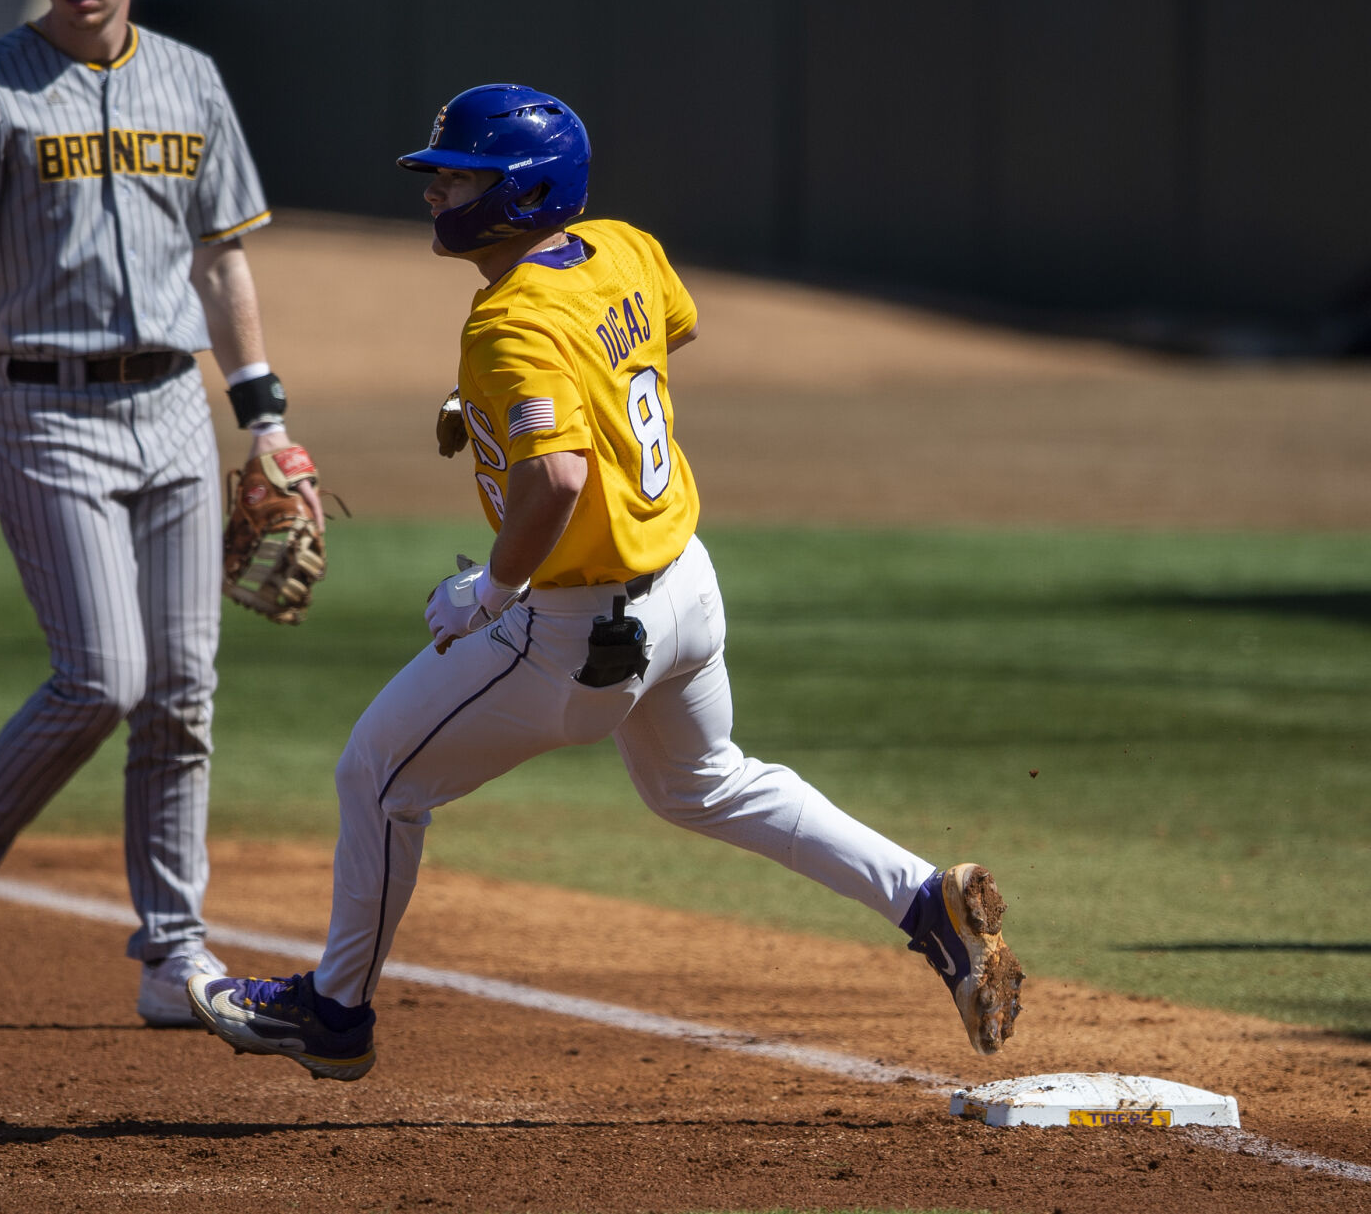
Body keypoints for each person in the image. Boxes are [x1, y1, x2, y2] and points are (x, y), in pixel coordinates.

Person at [186, 85, 1023, 1080]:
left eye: (457, 176)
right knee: (703, 782)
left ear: (524, 192)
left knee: (376, 775)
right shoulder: (623, 245)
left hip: (577, 630)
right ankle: (925, 898)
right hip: (686, 590)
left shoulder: (507, 322)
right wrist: (512, 408)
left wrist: (489, 589)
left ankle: (333, 1010)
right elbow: (660, 338)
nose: (434, 193)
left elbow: (558, 479)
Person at [0, 0, 319, 1027]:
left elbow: (224, 258)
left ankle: (171, 952)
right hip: (42, 405)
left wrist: (264, 417)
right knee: (104, 675)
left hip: (175, 404)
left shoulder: (192, 79)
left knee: (183, 688)